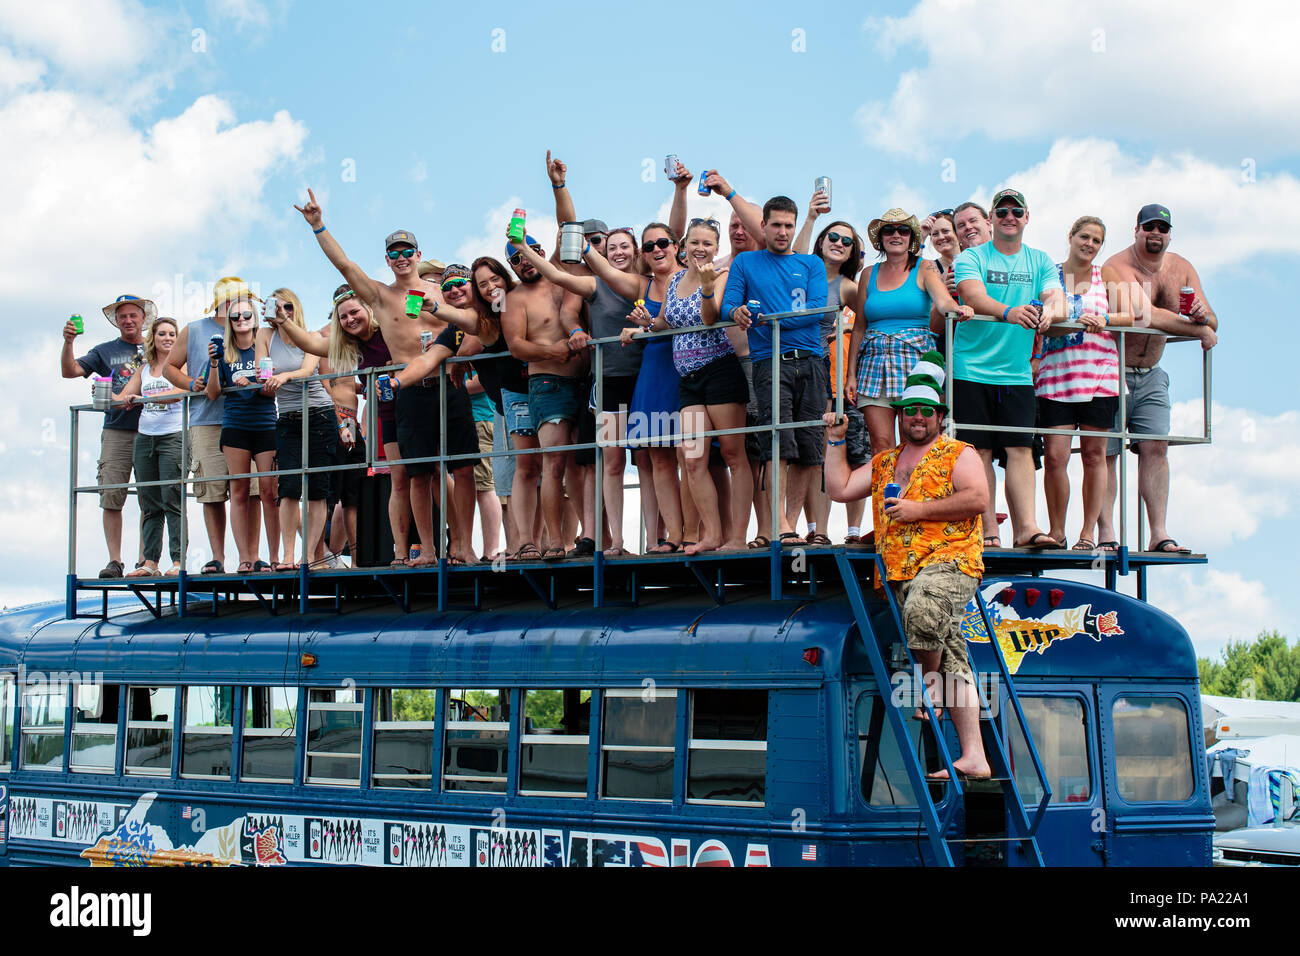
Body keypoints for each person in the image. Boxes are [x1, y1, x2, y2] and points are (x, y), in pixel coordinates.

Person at [823, 353, 990, 780]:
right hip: (901, 570)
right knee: (952, 654)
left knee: (924, 610)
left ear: (939, 416)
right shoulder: (884, 462)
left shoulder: (958, 452)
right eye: (910, 410)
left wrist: (919, 510)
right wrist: (835, 440)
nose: (918, 417)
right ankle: (975, 755)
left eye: (926, 410)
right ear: (899, 416)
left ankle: (927, 692)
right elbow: (839, 488)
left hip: (951, 562)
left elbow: (977, 499)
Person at [295, 191, 455, 566]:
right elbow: (345, 266)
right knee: (403, 478)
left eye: (406, 251)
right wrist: (318, 225)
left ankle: (457, 545)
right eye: (394, 253)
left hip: (439, 389)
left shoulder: (438, 293)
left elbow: (468, 328)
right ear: (387, 259)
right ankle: (404, 552)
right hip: (395, 400)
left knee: (443, 469)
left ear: (418, 254)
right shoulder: (380, 297)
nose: (401, 258)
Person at [1098, 203, 1218, 554]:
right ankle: (1107, 532)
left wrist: (1203, 317)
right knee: (1106, 451)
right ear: (1136, 230)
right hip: (1112, 371)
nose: (1155, 234)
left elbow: (1212, 318)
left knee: (1156, 448)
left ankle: (1159, 533)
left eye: (1161, 229)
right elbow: (1144, 316)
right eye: (1148, 227)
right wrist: (1199, 330)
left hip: (1152, 375)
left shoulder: (1181, 267)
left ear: (1169, 234)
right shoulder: (1116, 266)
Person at [629, 218, 753, 554]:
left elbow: (710, 318)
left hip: (720, 371)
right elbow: (665, 323)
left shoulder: (722, 275)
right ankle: (709, 534)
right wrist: (645, 325)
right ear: (684, 246)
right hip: (689, 379)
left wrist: (709, 286)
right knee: (693, 457)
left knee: (732, 454)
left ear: (716, 248)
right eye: (694, 243)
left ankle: (738, 538)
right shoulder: (672, 279)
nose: (700, 249)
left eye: (707, 244)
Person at [951, 188, 1063, 549]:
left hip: (1015, 372)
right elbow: (971, 295)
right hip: (971, 367)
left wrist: (1050, 313)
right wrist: (1009, 312)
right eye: (1002, 212)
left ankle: (1027, 528)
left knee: (1021, 449)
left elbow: (1054, 295)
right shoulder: (973, 256)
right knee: (977, 451)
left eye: (1017, 211)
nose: (1009, 217)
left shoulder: (1040, 259)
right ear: (991, 220)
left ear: (1027, 217)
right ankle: (988, 531)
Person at [721, 195, 829, 546]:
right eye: (777, 225)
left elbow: (817, 311)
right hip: (769, 361)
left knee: (809, 449)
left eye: (789, 225)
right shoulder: (747, 262)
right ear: (763, 226)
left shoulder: (812, 263)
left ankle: (791, 526)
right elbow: (728, 305)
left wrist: (770, 318)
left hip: (812, 360)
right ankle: (777, 523)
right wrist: (738, 313)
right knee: (776, 443)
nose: (783, 232)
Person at [1038, 217, 1135, 553]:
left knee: (1094, 456)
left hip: (1100, 374)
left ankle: (1087, 533)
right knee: (1055, 456)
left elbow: (1130, 315)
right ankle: (1056, 531)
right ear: (1071, 236)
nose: (1089, 244)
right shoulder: (1048, 272)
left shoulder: (1104, 275)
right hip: (1057, 375)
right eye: (1084, 237)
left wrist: (1105, 319)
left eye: (1096, 240)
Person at [848, 209, 971, 460]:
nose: (896, 235)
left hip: (914, 359)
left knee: (915, 441)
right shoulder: (868, 274)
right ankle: (886, 500)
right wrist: (850, 374)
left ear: (911, 237)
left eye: (903, 230)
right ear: (881, 238)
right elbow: (859, 325)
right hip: (874, 361)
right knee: (880, 445)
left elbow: (942, 300)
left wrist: (958, 308)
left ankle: (913, 499)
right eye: (889, 230)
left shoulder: (924, 267)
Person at [502, 233, 589, 560]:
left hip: (585, 382)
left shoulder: (564, 278)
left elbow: (566, 222)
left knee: (583, 464)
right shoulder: (515, 299)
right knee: (554, 463)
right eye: (516, 259)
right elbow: (516, 345)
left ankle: (590, 535)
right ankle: (554, 541)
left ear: (541, 251)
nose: (524, 261)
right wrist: (550, 351)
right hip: (548, 385)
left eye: (529, 253)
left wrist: (558, 184)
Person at [163, 276, 255, 574]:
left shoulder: (251, 327)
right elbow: (169, 368)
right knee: (213, 492)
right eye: (235, 300)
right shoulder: (195, 330)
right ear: (221, 303)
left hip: (248, 419)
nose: (241, 307)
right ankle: (218, 557)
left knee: (251, 490)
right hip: (207, 419)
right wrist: (192, 384)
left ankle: (250, 557)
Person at [794, 198, 867, 545]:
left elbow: (868, 323)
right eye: (833, 237)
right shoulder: (802, 272)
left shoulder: (850, 287)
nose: (839, 243)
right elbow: (792, 255)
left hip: (831, 373)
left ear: (852, 252)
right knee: (812, 454)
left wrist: (848, 338)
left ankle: (847, 531)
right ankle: (817, 529)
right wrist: (809, 215)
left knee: (844, 452)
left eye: (846, 241)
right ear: (821, 240)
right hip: (799, 369)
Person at [61, 294, 149, 578]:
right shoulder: (104, 350)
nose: (128, 320)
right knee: (112, 494)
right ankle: (115, 560)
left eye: (133, 315)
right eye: (122, 316)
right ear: (116, 321)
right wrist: (69, 342)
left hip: (154, 427)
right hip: (116, 429)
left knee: (153, 495)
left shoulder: (158, 346)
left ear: (143, 318)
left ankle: (147, 561)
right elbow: (70, 371)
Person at [260, 288, 336, 570]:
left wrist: (284, 376)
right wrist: (258, 378)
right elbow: (263, 370)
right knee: (289, 487)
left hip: (319, 414)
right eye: (277, 306)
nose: (283, 311)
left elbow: (307, 371)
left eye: (288, 306)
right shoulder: (264, 336)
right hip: (288, 416)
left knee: (317, 489)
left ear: (297, 309)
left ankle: (309, 556)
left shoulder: (312, 336)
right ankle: (288, 556)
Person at [205, 294, 279, 572]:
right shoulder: (223, 351)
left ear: (255, 319)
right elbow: (212, 394)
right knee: (238, 491)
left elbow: (271, 387)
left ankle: (274, 557)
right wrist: (213, 365)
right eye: (235, 317)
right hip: (235, 424)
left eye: (246, 315)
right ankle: (245, 558)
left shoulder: (264, 345)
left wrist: (254, 384)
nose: (240, 320)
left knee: (269, 492)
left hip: (265, 423)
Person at [111, 315, 186, 577]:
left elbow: (178, 393)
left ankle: (178, 561)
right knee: (150, 502)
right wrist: (104, 392)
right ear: (153, 338)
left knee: (172, 499)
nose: (167, 338)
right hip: (145, 436)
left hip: (173, 435)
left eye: (172, 334)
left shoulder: (180, 365)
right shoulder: (144, 369)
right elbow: (123, 399)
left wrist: (142, 397)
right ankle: (150, 562)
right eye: (162, 334)